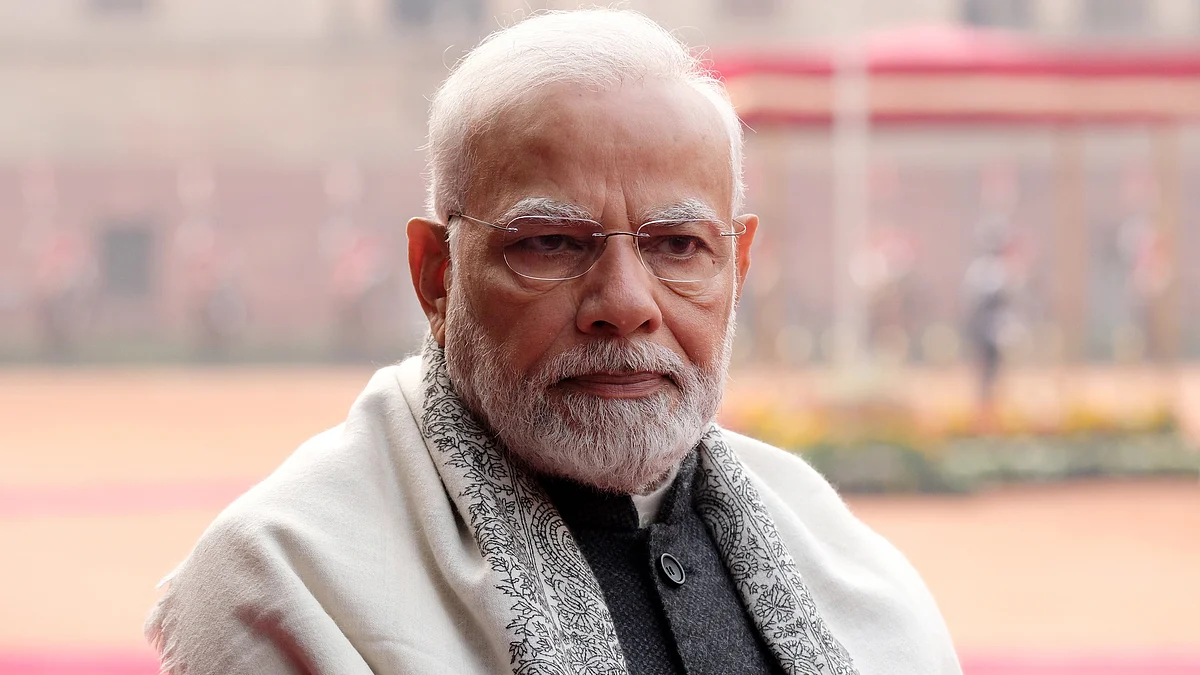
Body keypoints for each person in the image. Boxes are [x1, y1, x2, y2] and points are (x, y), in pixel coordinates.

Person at [146, 10, 961, 675]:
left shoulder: (845, 564)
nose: (626, 305)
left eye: (678, 246)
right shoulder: (295, 580)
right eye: (551, 243)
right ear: (436, 274)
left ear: (737, 267)